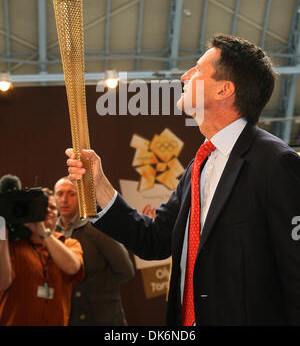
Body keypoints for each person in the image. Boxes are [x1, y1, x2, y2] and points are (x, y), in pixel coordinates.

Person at [66, 34, 300, 326]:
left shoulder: (276, 163)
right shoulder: (199, 165)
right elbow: (154, 240)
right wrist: (99, 185)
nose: (185, 75)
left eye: (198, 70)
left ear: (224, 90)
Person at [54, 176, 134, 326]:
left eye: (71, 194)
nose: (64, 199)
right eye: (59, 194)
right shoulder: (50, 234)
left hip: (103, 317)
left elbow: (125, 269)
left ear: (80, 197)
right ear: (54, 197)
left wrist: (100, 292)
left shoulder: (97, 227)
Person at [0, 188, 84, 326]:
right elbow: (2, 283)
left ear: (57, 214)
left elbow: (73, 268)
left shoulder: (69, 243)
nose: (48, 211)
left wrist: (43, 233)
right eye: (43, 207)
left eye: (52, 207)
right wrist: (2, 235)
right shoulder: (13, 245)